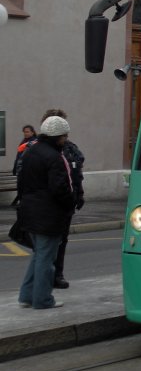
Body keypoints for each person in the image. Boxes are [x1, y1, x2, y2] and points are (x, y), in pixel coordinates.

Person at [16, 115, 74, 309]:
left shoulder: (31, 152)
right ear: (58, 136)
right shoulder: (54, 157)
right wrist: (70, 205)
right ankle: (43, 299)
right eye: (64, 136)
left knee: (39, 255)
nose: (65, 140)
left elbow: (21, 181)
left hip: (29, 210)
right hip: (48, 213)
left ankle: (26, 296)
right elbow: (60, 189)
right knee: (47, 258)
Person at [42, 107, 85, 289]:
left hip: (67, 202)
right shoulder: (38, 149)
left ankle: (57, 273)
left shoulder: (71, 148)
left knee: (61, 240)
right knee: (45, 245)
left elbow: (76, 173)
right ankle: (44, 278)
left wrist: (79, 194)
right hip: (47, 204)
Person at [11, 124, 37, 206]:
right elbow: (18, 157)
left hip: (27, 171)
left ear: (32, 132)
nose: (25, 133)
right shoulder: (24, 142)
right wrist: (15, 169)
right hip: (21, 170)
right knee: (21, 188)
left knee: (25, 189)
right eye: (24, 132)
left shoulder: (34, 142)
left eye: (27, 132)